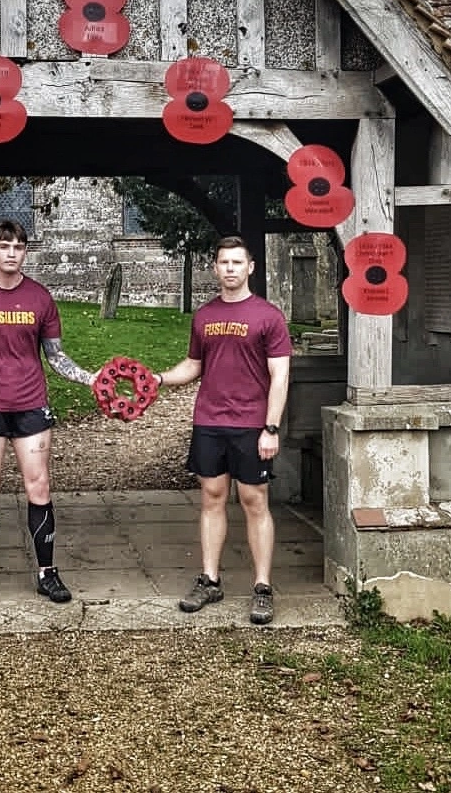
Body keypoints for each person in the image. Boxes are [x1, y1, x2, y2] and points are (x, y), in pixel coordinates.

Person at [0, 220, 96, 609]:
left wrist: (92, 378)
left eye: (18, 246)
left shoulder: (40, 298)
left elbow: (57, 357)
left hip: (31, 405)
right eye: (4, 246)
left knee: (39, 488)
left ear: (25, 252)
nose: (11, 253)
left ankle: (48, 574)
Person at [154, 236, 291, 625]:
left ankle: (262, 587)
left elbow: (279, 375)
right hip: (210, 421)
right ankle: (210, 580)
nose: (229, 268)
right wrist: (157, 378)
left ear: (250, 267)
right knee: (212, 498)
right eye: (223, 262)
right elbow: (193, 366)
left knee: (254, 501)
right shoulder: (204, 316)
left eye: (236, 262)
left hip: (251, 424)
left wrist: (271, 427)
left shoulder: (269, 316)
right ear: (214, 268)